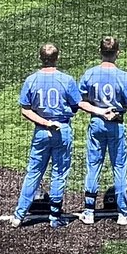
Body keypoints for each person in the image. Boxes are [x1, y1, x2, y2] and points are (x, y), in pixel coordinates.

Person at [12, 44, 81, 228]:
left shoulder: (31, 80)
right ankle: (55, 217)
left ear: (40, 58)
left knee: (33, 172)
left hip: (41, 131)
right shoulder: (66, 80)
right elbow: (76, 106)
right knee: (59, 173)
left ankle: (18, 215)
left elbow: (25, 109)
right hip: (62, 129)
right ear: (57, 58)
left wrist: (44, 122)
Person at [78, 36, 127, 226]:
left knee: (93, 166)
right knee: (119, 167)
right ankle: (123, 213)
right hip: (116, 124)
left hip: (96, 123)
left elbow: (80, 101)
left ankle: (89, 212)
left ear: (100, 52)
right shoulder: (123, 76)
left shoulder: (89, 74)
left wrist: (99, 110)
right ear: (118, 53)